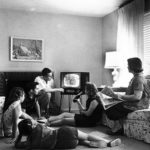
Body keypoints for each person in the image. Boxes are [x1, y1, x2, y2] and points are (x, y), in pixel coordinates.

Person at [103, 57, 150, 134]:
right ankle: (119, 126)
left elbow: (137, 97)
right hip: (139, 104)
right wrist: (114, 92)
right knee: (110, 103)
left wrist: (118, 96)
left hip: (137, 105)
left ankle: (118, 128)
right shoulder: (137, 77)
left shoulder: (138, 79)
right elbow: (132, 90)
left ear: (133, 66)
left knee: (109, 107)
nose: (127, 67)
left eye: (128, 65)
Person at [15, 119, 121, 149]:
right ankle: (108, 142)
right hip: (64, 132)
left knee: (78, 141)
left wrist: (20, 136)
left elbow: (17, 145)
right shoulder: (39, 127)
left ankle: (89, 144)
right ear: (32, 126)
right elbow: (47, 126)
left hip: (66, 145)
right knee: (87, 135)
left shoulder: (31, 143)